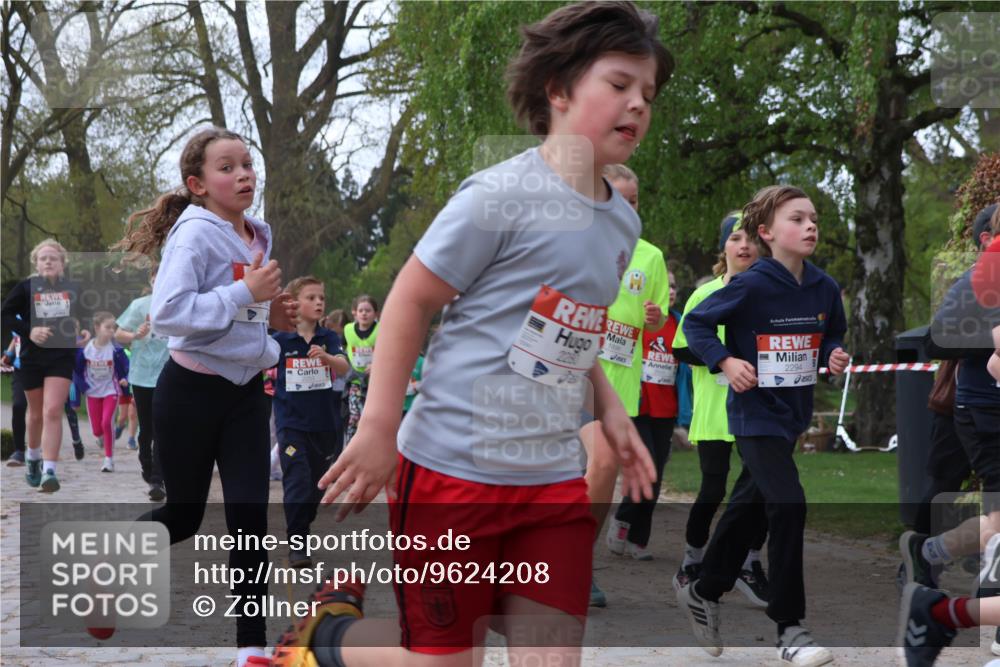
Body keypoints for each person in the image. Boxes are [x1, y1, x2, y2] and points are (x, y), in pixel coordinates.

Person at [271, 4, 671, 667]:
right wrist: (378, 428)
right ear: (560, 89)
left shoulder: (621, 226)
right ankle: (326, 637)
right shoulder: (500, 194)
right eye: (620, 83)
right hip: (454, 474)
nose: (638, 104)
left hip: (550, 481)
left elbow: (573, 328)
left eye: (648, 94)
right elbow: (409, 300)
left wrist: (610, 407)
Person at [112, 126, 297, 666]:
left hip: (245, 396)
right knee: (184, 517)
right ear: (197, 184)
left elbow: (242, 313)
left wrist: (271, 316)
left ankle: (251, 650)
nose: (243, 174)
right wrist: (246, 293)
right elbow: (168, 315)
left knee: (250, 518)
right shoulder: (192, 235)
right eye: (227, 167)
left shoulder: (258, 234)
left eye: (247, 164)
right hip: (190, 392)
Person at [677, 185, 849, 666]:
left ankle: (704, 588)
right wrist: (726, 362)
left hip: (791, 416)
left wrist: (830, 355)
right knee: (788, 504)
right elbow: (696, 326)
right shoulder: (751, 284)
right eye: (797, 219)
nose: (810, 226)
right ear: (768, 233)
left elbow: (831, 332)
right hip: (753, 415)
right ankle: (790, 627)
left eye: (813, 218)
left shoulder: (824, 287)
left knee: (748, 506)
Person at [671, 213, 769, 608]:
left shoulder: (767, 293)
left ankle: (750, 563)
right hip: (714, 409)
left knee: (761, 488)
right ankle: (691, 560)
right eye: (735, 238)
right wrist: (724, 357)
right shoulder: (704, 294)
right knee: (713, 489)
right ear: (724, 247)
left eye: (750, 239)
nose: (743, 245)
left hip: (757, 408)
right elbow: (680, 347)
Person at [593, 163, 671, 607]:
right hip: (572, 376)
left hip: (621, 382)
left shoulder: (651, 256)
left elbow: (656, 312)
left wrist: (655, 318)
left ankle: (577, 566)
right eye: (618, 198)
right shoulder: (575, 243)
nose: (627, 208)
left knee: (601, 476)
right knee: (574, 473)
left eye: (634, 200)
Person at [1, 239, 92, 492]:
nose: (48, 261)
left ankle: (49, 470)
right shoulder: (26, 288)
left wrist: (85, 329)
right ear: (37, 264)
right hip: (31, 358)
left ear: (62, 263)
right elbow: (5, 313)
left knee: (53, 410)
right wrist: (30, 331)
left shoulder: (74, 289)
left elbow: (85, 314)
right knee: (36, 413)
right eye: (43, 258)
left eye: (53, 258)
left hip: (61, 355)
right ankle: (32, 456)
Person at [271, 276, 349, 567]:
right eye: (311, 297)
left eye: (322, 298)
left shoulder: (327, 337)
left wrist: (327, 357)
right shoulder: (279, 339)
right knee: (297, 479)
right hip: (291, 424)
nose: (318, 302)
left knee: (316, 483)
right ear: (294, 303)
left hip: (324, 426)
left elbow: (344, 367)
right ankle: (298, 542)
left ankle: (303, 522)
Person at [608, 268, 683, 560]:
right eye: (667, 285)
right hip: (636, 406)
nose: (671, 290)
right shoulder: (636, 319)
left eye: (674, 286)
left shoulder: (678, 323)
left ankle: (639, 539)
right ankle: (623, 522)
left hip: (666, 408)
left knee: (657, 473)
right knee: (646, 464)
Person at [115, 267, 171, 500]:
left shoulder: (178, 304)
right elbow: (118, 334)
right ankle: (147, 465)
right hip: (142, 374)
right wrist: (135, 335)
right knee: (146, 429)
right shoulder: (140, 305)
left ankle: (158, 479)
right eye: (158, 278)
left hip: (169, 374)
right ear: (152, 280)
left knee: (162, 428)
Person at [74, 311, 130, 473]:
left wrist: (125, 378)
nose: (112, 331)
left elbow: (127, 366)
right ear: (97, 328)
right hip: (92, 393)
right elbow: (77, 372)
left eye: (113, 328)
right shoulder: (86, 350)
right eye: (108, 327)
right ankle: (102, 438)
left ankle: (109, 459)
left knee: (107, 423)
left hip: (110, 391)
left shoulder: (116, 350)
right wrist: (78, 394)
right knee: (97, 430)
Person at [341, 295, 378, 444]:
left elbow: (391, 350)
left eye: (368, 310)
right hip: (355, 380)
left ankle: (372, 444)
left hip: (376, 382)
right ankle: (352, 445)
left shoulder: (382, 329)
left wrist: (377, 364)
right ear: (354, 313)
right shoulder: (348, 329)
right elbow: (343, 348)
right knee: (354, 416)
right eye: (360, 310)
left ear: (376, 313)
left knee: (372, 417)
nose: (364, 313)